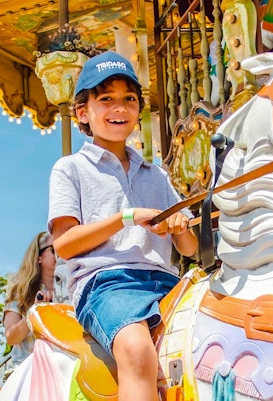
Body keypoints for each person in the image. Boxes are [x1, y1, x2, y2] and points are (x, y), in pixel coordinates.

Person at [48, 51, 198, 401]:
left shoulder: (155, 174)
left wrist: (179, 228)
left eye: (129, 99)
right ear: (83, 112)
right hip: (107, 284)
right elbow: (65, 245)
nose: (120, 108)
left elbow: (189, 250)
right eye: (106, 99)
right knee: (136, 348)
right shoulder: (70, 169)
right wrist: (125, 217)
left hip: (166, 281)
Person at [2, 231, 63, 378]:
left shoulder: (71, 289)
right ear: (38, 257)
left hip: (61, 366)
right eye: (54, 249)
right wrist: (33, 312)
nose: (59, 254)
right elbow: (11, 338)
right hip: (26, 367)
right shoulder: (20, 291)